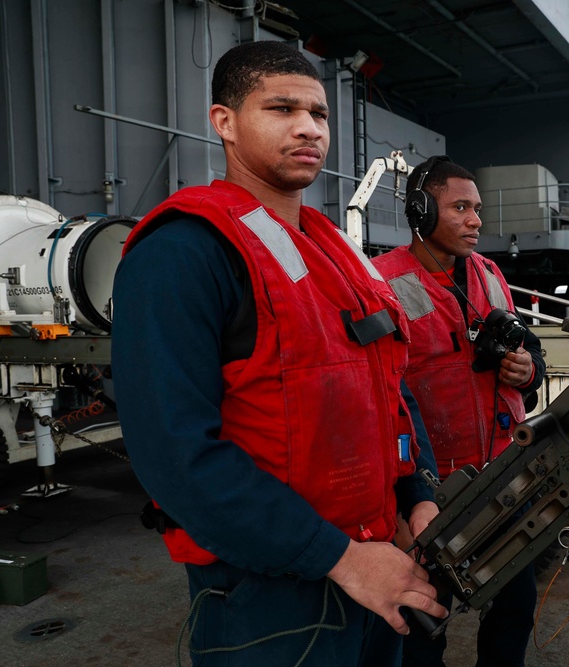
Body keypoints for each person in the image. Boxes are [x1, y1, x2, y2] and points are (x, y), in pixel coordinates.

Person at [110, 40, 447, 666]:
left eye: (319, 114)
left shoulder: (338, 253)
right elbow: (176, 456)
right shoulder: (181, 254)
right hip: (272, 598)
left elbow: (389, 387)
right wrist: (340, 558)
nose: (307, 128)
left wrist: (416, 496)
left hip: (379, 568)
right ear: (225, 122)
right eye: (281, 108)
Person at [373, 155, 546, 667]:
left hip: (504, 474)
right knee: (425, 620)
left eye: (477, 208)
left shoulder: (489, 274)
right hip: (432, 487)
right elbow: (380, 399)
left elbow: (528, 347)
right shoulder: (380, 284)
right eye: (461, 207)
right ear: (422, 211)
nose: (476, 221)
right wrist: (408, 501)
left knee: (515, 605)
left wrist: (527, 370)